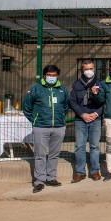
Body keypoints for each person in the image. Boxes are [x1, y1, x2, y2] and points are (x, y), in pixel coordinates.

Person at [22, 65, 69, 193]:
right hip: (41, 127)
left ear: (57, 76)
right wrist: (35, 119)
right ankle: (39, 180)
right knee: (40, 155)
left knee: (54, 154)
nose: (52, 77)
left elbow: (65, 106)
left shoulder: (62, 89)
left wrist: (59, 118)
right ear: (44, 75)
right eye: (49, 75)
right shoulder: (36, 89)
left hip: (58, 127)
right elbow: (26, 106)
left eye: (54, 75)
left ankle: (51, 177)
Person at [69, 60, 103, 183]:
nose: (89, 71)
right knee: (79, 147)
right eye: (86, 69)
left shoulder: (100, 84)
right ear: (82, 70)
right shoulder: (76, 84)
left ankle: (95, 171)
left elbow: (105, 101)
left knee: (94, 146)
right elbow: (72, 101)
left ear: (94, 69)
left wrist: (95, 114)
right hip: (80, 119)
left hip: (95, 119)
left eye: (91, 68)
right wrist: (82, 114)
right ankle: (80, 172)